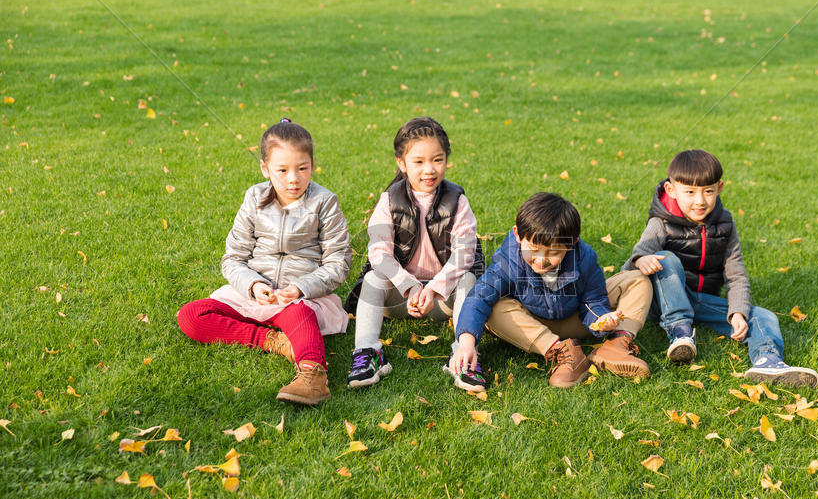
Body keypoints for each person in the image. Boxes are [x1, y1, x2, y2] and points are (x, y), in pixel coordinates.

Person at [177, 119, 352, 405]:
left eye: (302, 168)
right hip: (256, 295)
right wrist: (253, 285)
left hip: (299, 298)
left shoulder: (325, 203)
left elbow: (338, 264)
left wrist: (301, 288)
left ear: (313, 165)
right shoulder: (254, 198)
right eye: (282, 170)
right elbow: (233, 258)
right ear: (265, 169)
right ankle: (272, 340)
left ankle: (312, 376)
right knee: (191, 316)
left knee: (300, 316)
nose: (293, 178)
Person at [625, 148, 818, 387]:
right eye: (690, 192)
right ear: (671, 190)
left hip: (698, 300)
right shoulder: (660, 223)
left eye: (708, 191)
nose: (700, 200)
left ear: (720, 188)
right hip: (661, 301)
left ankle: (768, 360)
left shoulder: (725, 224)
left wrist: (738, 312)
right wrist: (641, 260)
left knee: (763, 317)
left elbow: (736, 274)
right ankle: (680, 332)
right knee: (665, 258)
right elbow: (634, 262)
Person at [449, 192, 653, 392]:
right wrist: (466, 343)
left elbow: (594, 298)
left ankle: (616, 345)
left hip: (576, 319)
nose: (541, 259)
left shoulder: (584, 258)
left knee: (637, 280)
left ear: (571, 244)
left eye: (553, 253)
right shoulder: (507, 261)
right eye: (534, 248)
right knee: (494, 308)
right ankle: (562, 352)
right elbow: (479, 297)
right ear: (518, 235)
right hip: (531, 325)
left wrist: (601, 319)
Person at [343, 117, 483, 389]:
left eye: (437, 160)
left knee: (468, 280)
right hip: (398, 297)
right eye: (418, 162)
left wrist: (432, 290)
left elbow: (465, 254)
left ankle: (463, 355)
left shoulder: (457, 201)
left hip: (443, 300)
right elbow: (379, 253)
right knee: (373, 279)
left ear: (446, 159)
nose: (429, 169)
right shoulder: (390, 200)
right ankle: (368, 352)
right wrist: (408, 285)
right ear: (401, 163)